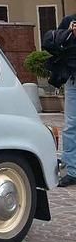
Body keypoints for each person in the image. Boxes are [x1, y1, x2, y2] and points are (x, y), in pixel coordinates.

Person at [43, 15, 76, 187]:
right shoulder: (70, 21)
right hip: (73, 79)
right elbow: (51, 44)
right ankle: (72, 170)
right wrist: (69, 34)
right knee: (71, 125)